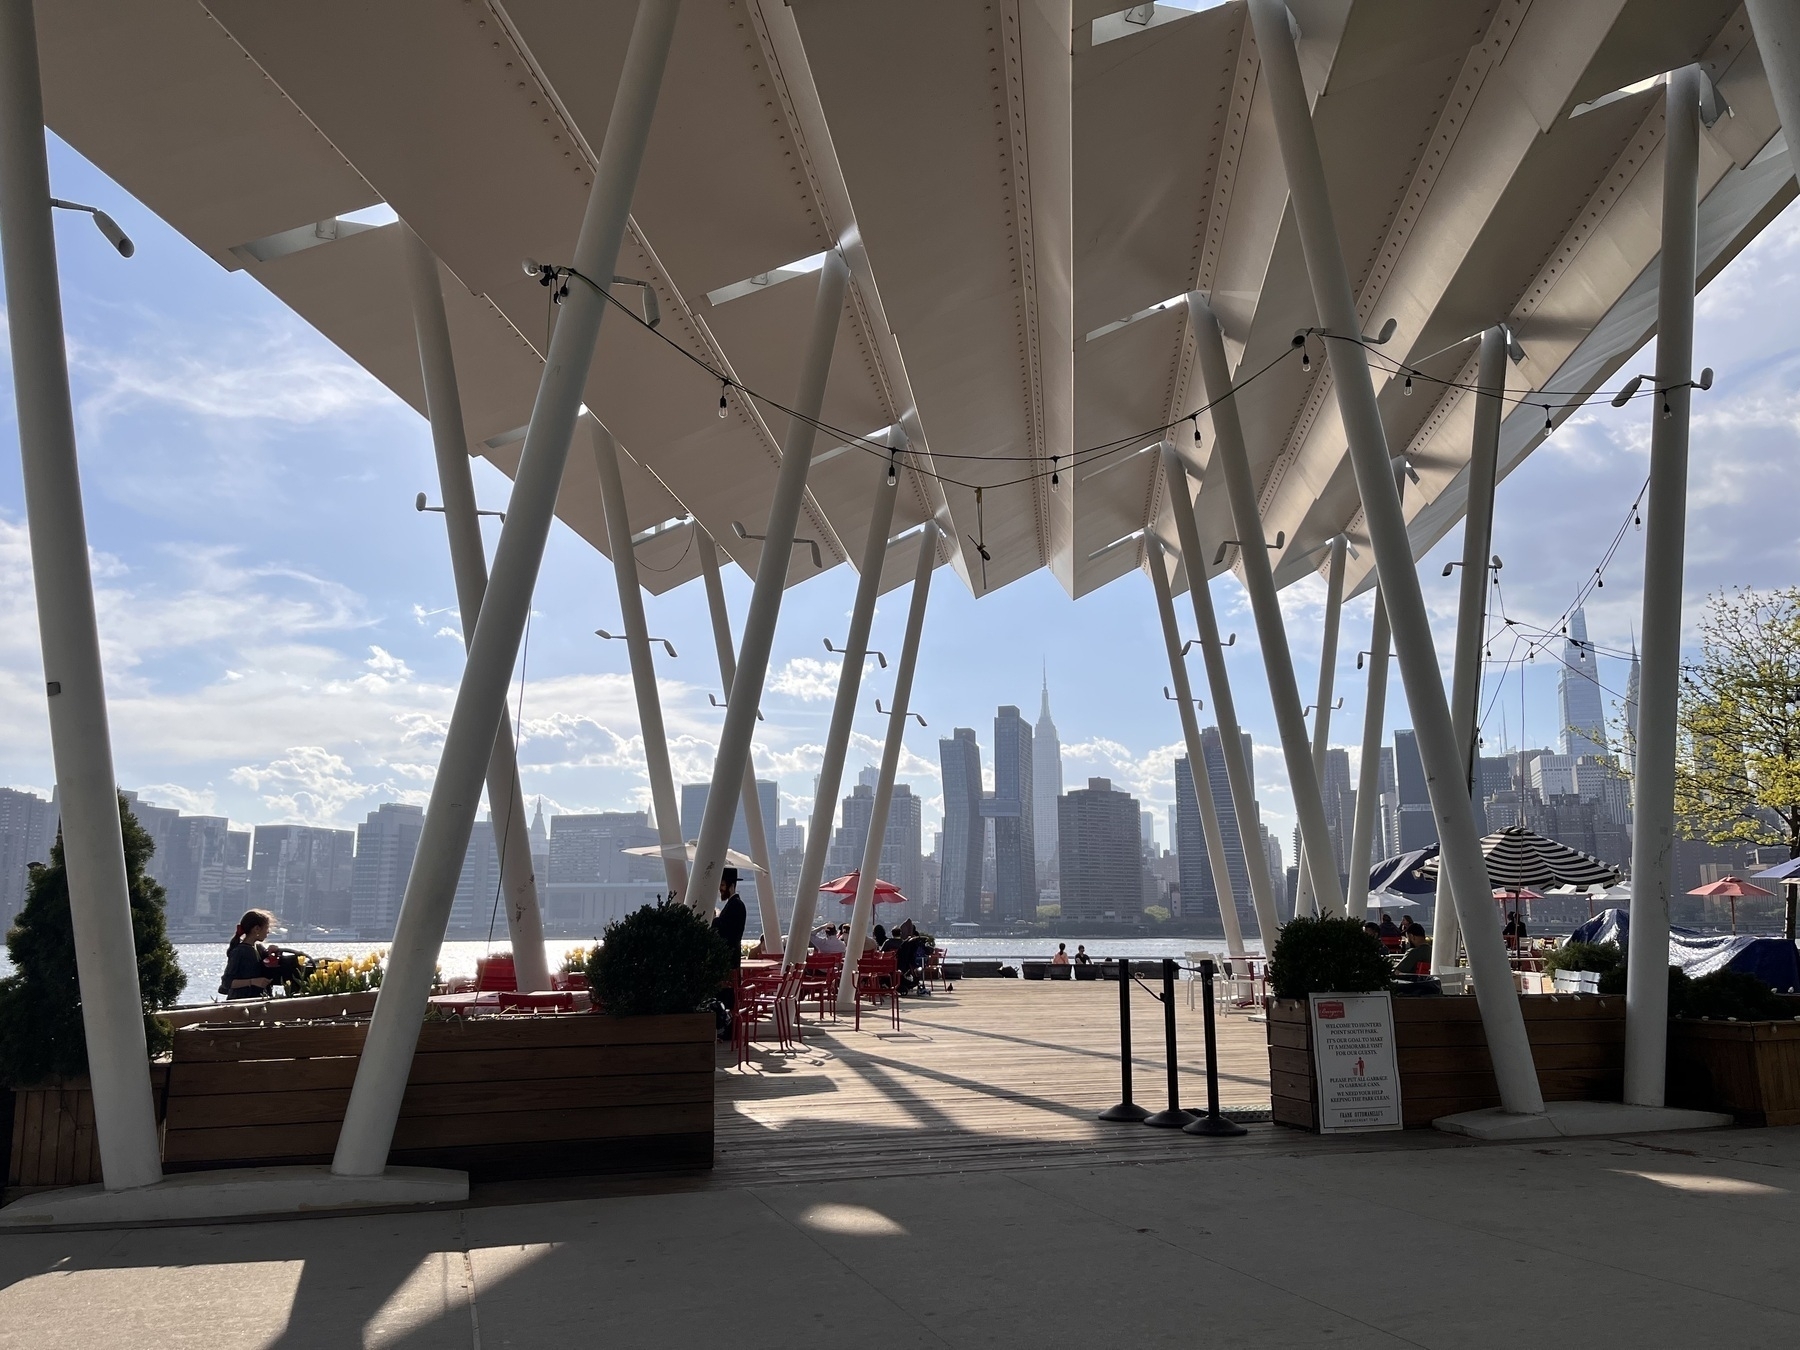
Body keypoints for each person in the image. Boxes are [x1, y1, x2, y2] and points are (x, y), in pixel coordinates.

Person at [220, 908, 276, 999]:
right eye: (266, 927)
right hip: (240, 1003)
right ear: (256, 929)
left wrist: (272, 952)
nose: (268, 931)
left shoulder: (260, 949)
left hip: (258, 1002)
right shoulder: (239, 951)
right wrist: (252, 981)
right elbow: (227, 982)